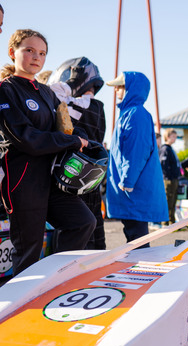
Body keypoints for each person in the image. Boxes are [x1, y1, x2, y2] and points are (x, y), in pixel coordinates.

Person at [0, 29, 95, 275]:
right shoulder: (5, 90)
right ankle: (19, 307)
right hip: (23, 180)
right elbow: (26, 138)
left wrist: (81, 137)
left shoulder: (46, 92)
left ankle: (56, 278)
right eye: (29, 50)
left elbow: (68, 128)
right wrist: (71, 142)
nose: (36, 57)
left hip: (52, 179)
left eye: (42, 53)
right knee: (28, 251)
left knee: (83, 222)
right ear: (12, 52)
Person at [48, 56, 107, 249]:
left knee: (78, 234)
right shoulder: (97, 107)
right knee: (94, 230)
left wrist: (70, 85)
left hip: (72, 175)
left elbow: (55, 94)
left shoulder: (82, 105)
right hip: (91, 179)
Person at [105, 71, 168, 246]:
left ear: (131, 89)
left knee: (137, 237)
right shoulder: (132, 113)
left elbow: (137, 151)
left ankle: (140, 271)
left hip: (133, 188)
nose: (116, 89)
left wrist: (127, 180)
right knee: (134, 234)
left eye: (121, 86)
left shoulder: (135, 114)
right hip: (133, 187)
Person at [159, 128, 181, 225]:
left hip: (174, 179)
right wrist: (169, 176)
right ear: (167, 137)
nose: (175, 138)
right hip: (168, 180)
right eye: (173, 136)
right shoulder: (165, 149)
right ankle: (165, 222)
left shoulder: (171, 149)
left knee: (173, 200)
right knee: (168, 200)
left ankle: (172, 221)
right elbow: (163, 165)